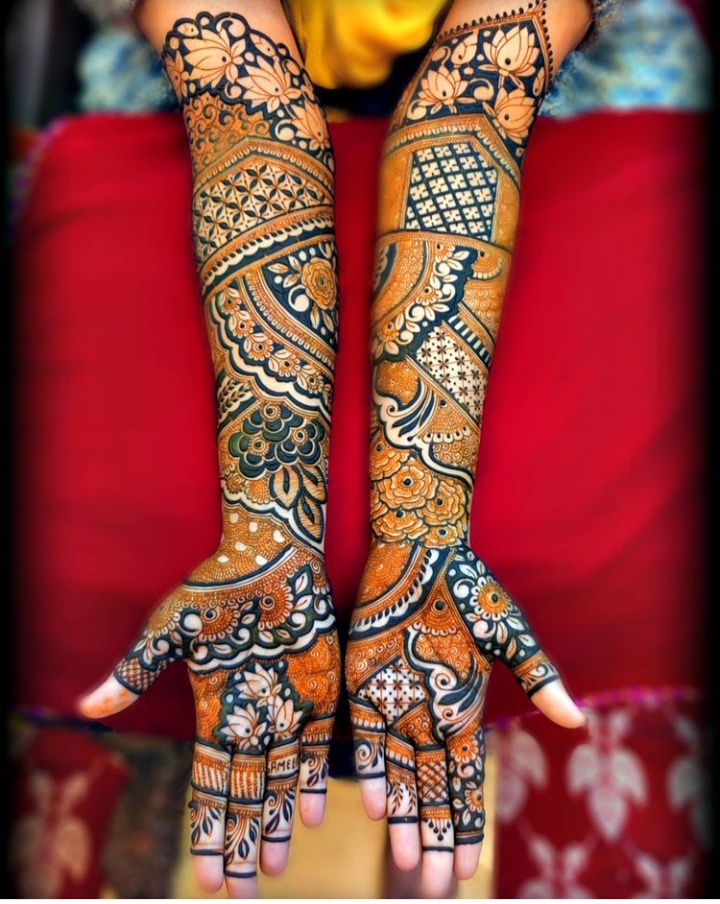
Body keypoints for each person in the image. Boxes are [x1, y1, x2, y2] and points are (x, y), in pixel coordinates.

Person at [78, 0, 617, 897]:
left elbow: (477, 100)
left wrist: (421, 532)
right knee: (124, 517)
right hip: (187, 102)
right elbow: (240, 94)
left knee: (523, 562)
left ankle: (420, 849)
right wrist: (268, 532)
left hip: (553, 110)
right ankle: (140, 793)